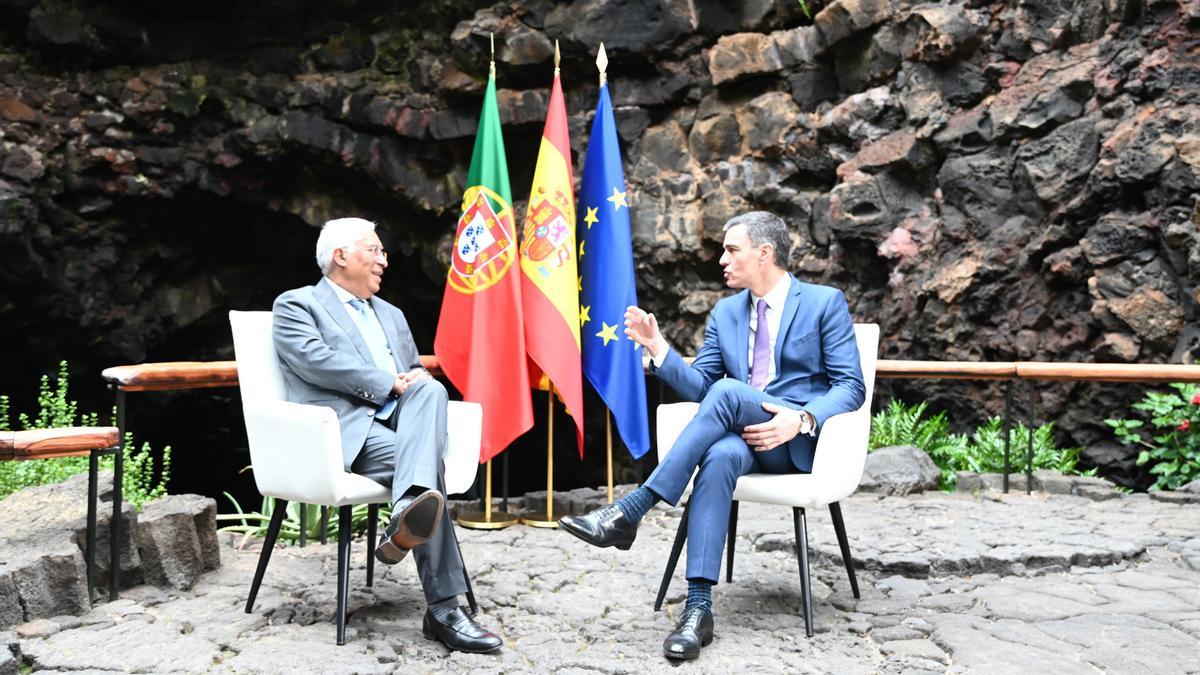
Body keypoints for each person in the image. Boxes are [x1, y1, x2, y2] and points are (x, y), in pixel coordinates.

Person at [560, 211, 865, 661]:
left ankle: (633, 509)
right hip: (743, 441)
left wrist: (799, 421)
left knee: (726, 395)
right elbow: (705, 388)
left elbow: (851, 386)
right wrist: (658, 350)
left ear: (764, 254)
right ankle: (698, 610)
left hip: (795, 445)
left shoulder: (823, 302)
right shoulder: (726, 312)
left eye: (731, 250)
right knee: (719, 453)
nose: (721, 259)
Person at [272, 217, 502, 654]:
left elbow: (413, 370)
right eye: (374, 250)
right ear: (341, 256)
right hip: (346, 431)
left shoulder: (392, 314)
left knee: (430, 387)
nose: (384, 260)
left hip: (405, 425)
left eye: (383, 252)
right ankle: (445, 609)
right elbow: (311, 360)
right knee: (426, 477)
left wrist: (410, 381)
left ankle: (405, 513)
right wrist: (385, 382)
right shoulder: (297, 304)